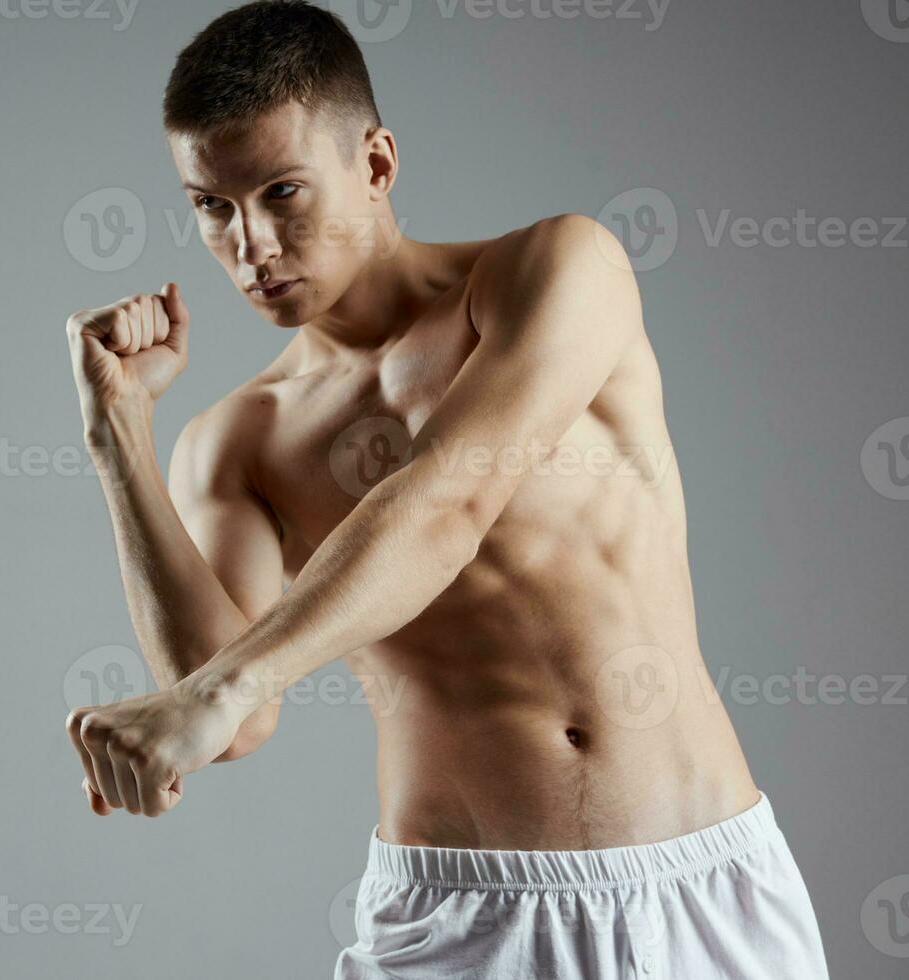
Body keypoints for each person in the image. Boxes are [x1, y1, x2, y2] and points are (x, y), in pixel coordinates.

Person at [62, 2, 829, 975]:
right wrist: (118, 433)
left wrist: (219, 689)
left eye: (281, 192)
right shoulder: (238, 441)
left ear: (376, 165)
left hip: (698, 887)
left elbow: (448, 502)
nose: (248, 244)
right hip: (459, 917)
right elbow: (233, 721)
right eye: (211, 204)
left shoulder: (556, 270)